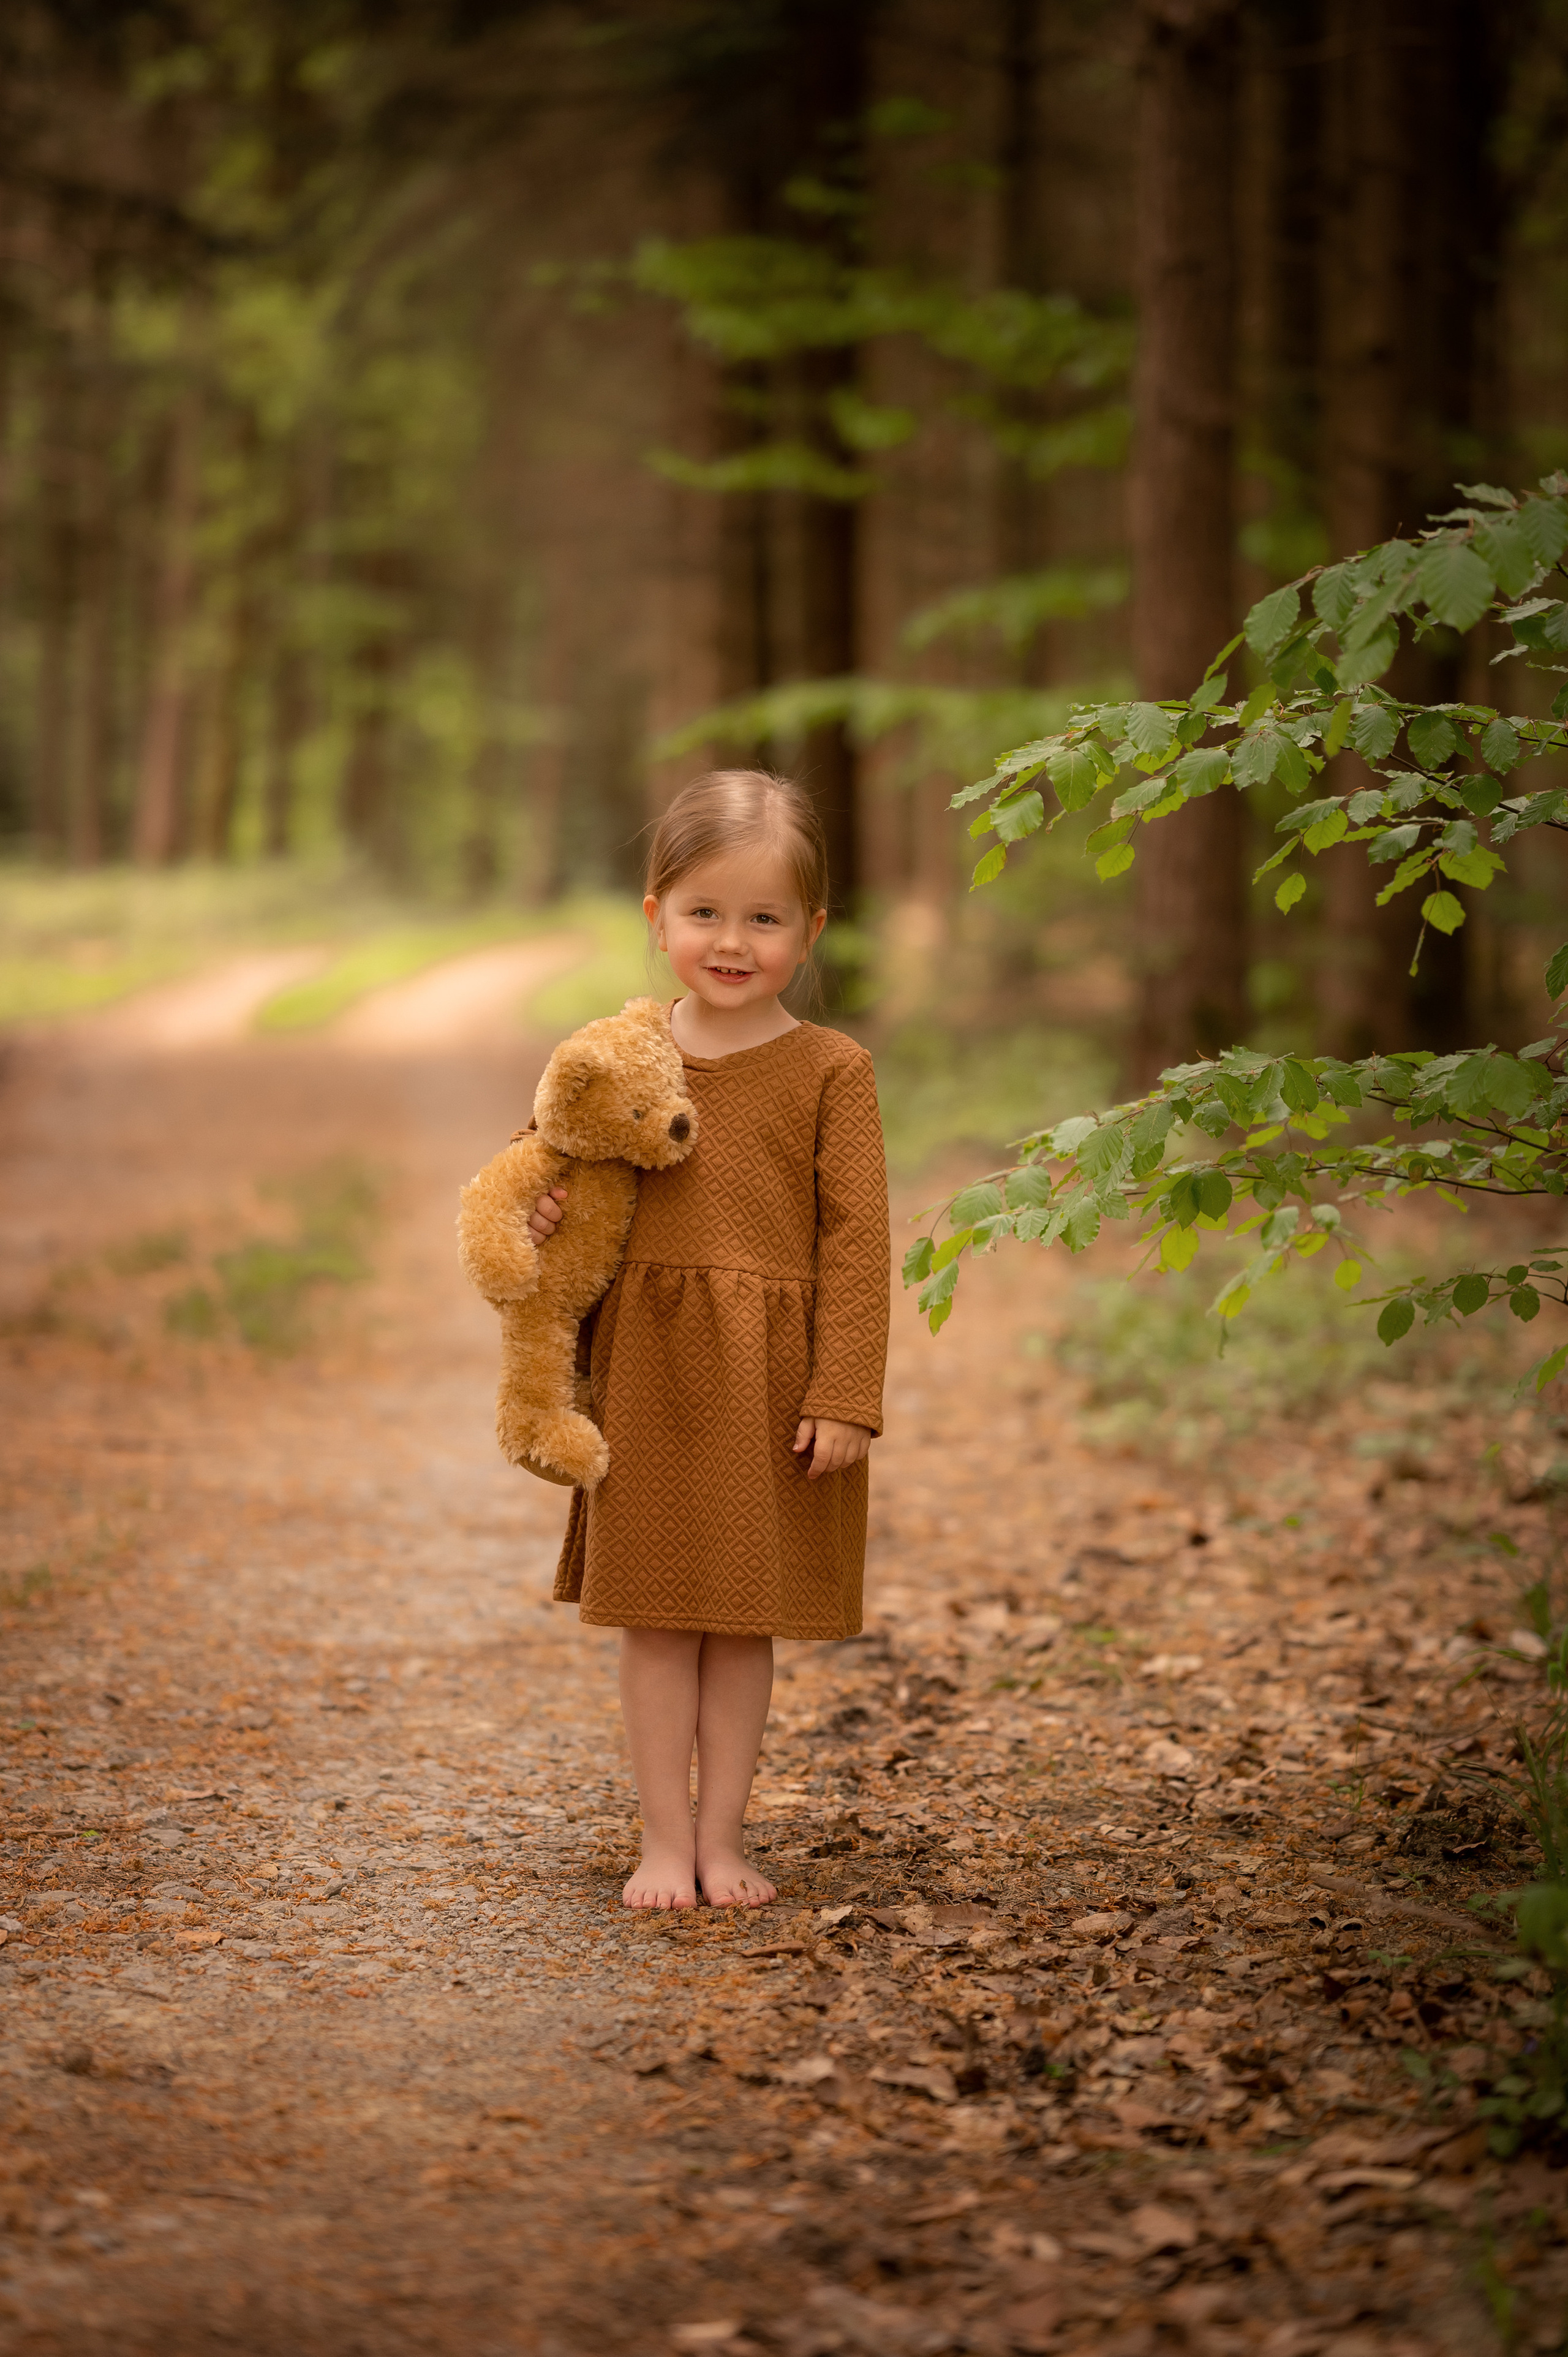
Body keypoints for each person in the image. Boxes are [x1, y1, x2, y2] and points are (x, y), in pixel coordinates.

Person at [527, 769, 889, 1910]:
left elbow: (859, 1243)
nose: (732, 941)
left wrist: (845, 1393)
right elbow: (542, 1175)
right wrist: (540, 1218)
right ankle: (661, 1841)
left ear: (810, 929)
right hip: (645, 1369)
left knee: (741, 1620)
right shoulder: (617, 1055)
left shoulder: (835, 1071)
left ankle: (725, 1839)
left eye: (764, 918)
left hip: (770, 1381)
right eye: (705, 913)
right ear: (656, 915)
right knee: (656, 1613)